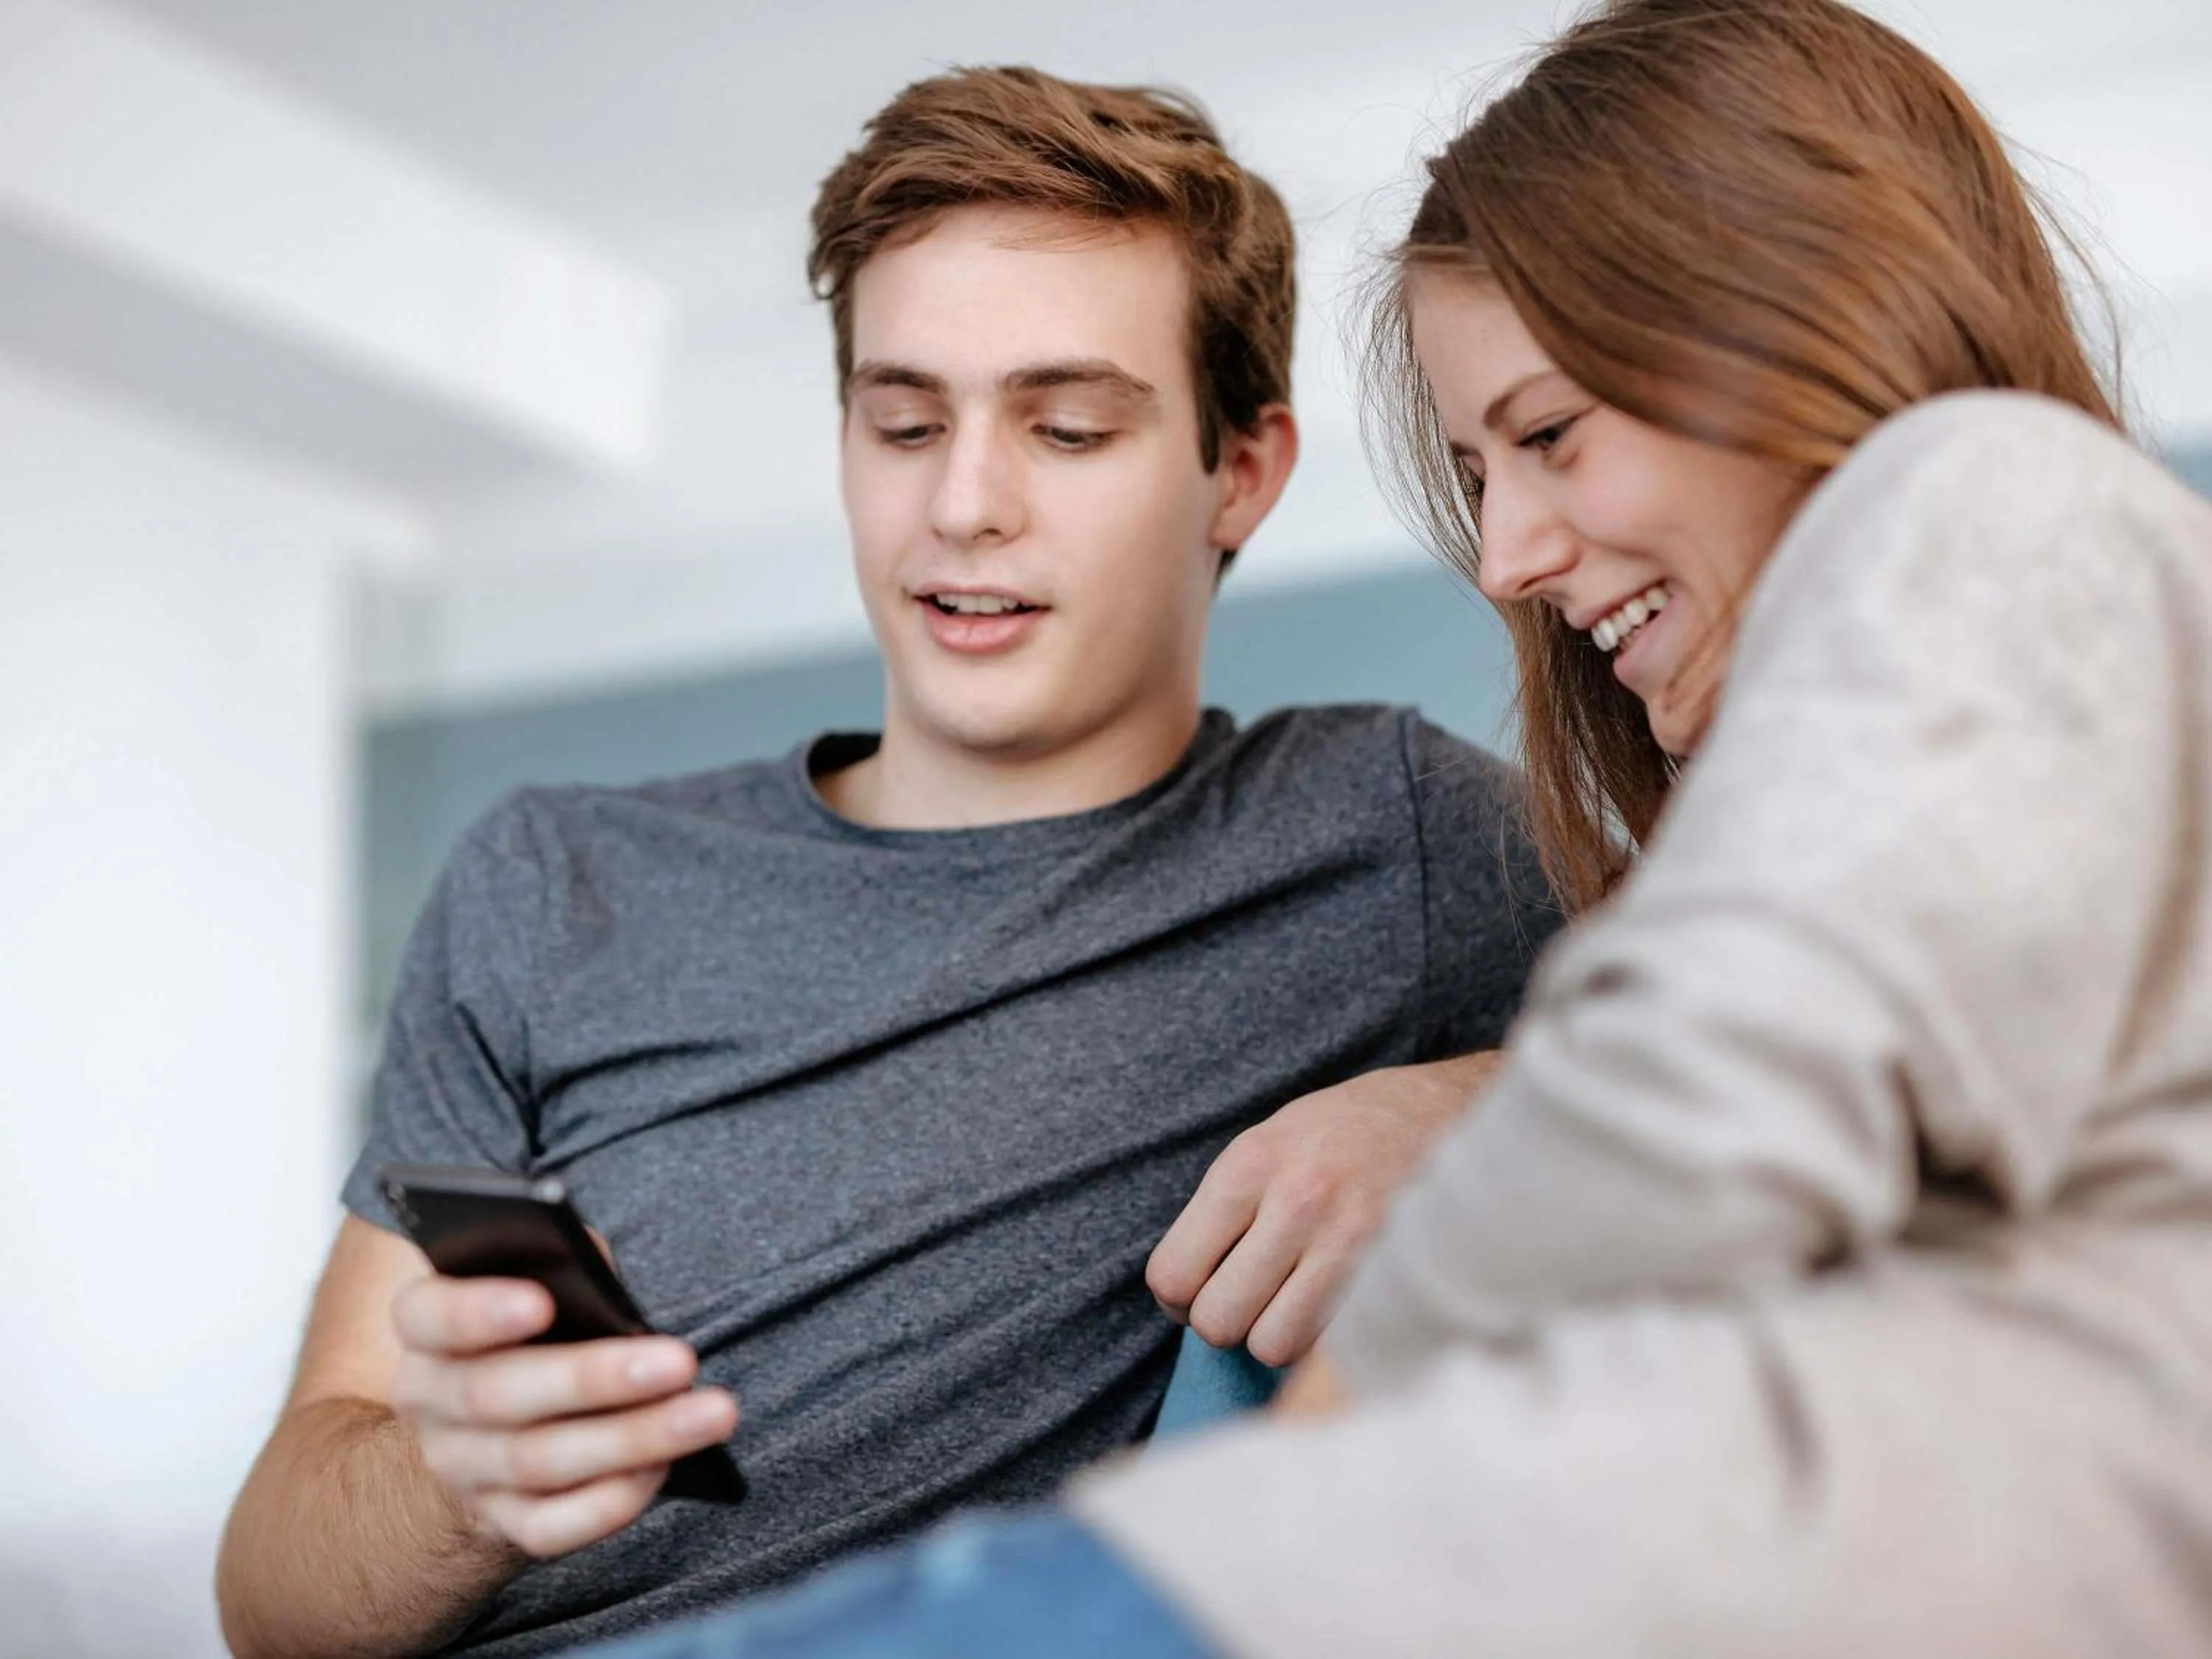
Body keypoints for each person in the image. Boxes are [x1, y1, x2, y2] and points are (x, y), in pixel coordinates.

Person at [560, 1, 2212, 1654]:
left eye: (1553, 434)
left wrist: (1303, 1485)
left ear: (1802, 316)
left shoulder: (2001, 499)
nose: (1507, 559)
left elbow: (1700, 1110)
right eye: (1482, 471)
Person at [214, 66, 1557, 1659]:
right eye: (903, 421)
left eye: (1066, 429)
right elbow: (271, 1603)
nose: (961, 505)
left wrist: (1472, 1109)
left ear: (1240, 473)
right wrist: (453, 1481)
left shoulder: (1383, 834)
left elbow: (1856, 1027)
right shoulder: (545, 882)